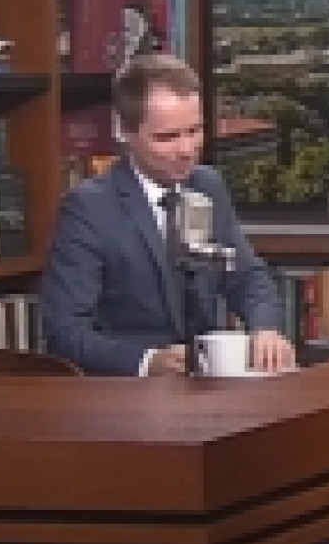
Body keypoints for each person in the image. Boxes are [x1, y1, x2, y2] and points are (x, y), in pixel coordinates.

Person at [39, 53, 295, 376]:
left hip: (207, 386)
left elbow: (246, 276)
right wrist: (149, 361)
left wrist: (265, 329)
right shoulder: (89, 209)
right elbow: (64, 333)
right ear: (125, 131)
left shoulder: (208, 185)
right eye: (168, 137)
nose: (186, 150)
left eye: (194, 131)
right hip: (128, 396)